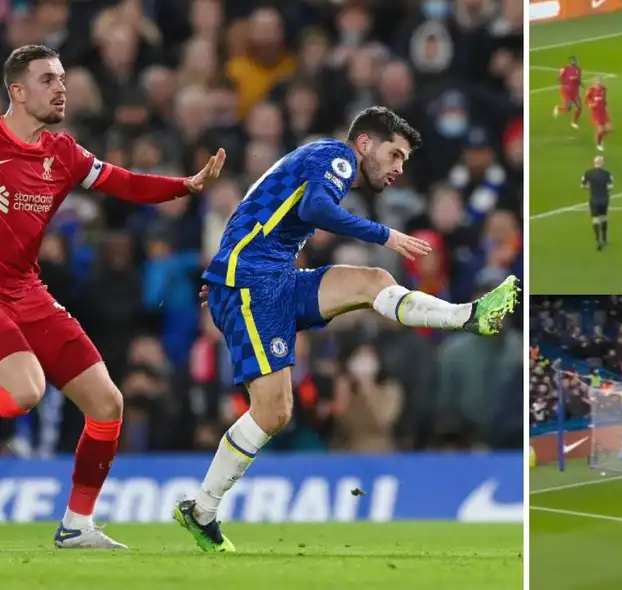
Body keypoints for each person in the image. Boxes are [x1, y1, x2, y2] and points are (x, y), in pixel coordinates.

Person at [173, 105, 519, 552]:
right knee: (274, 412)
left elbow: (258, 210)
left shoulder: (319, 161)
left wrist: (226, 270)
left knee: (372, 281)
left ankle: (468, 316)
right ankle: (202, 510)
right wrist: (384, 234)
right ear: (365, 144)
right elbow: (316, 207)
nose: (398, 168)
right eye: (395, 155)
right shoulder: (335, 157)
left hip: (268, 279)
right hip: (253, 283)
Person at [0, 45, 225, 549]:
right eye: (46, 80)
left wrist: (184, 186)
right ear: (17, 91)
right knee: (24, 390)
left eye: (61, 76)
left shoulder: (63, 153)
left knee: (106, 404)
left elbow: (124, 182)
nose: (60, 87)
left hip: (26, 290)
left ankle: (76, 525)